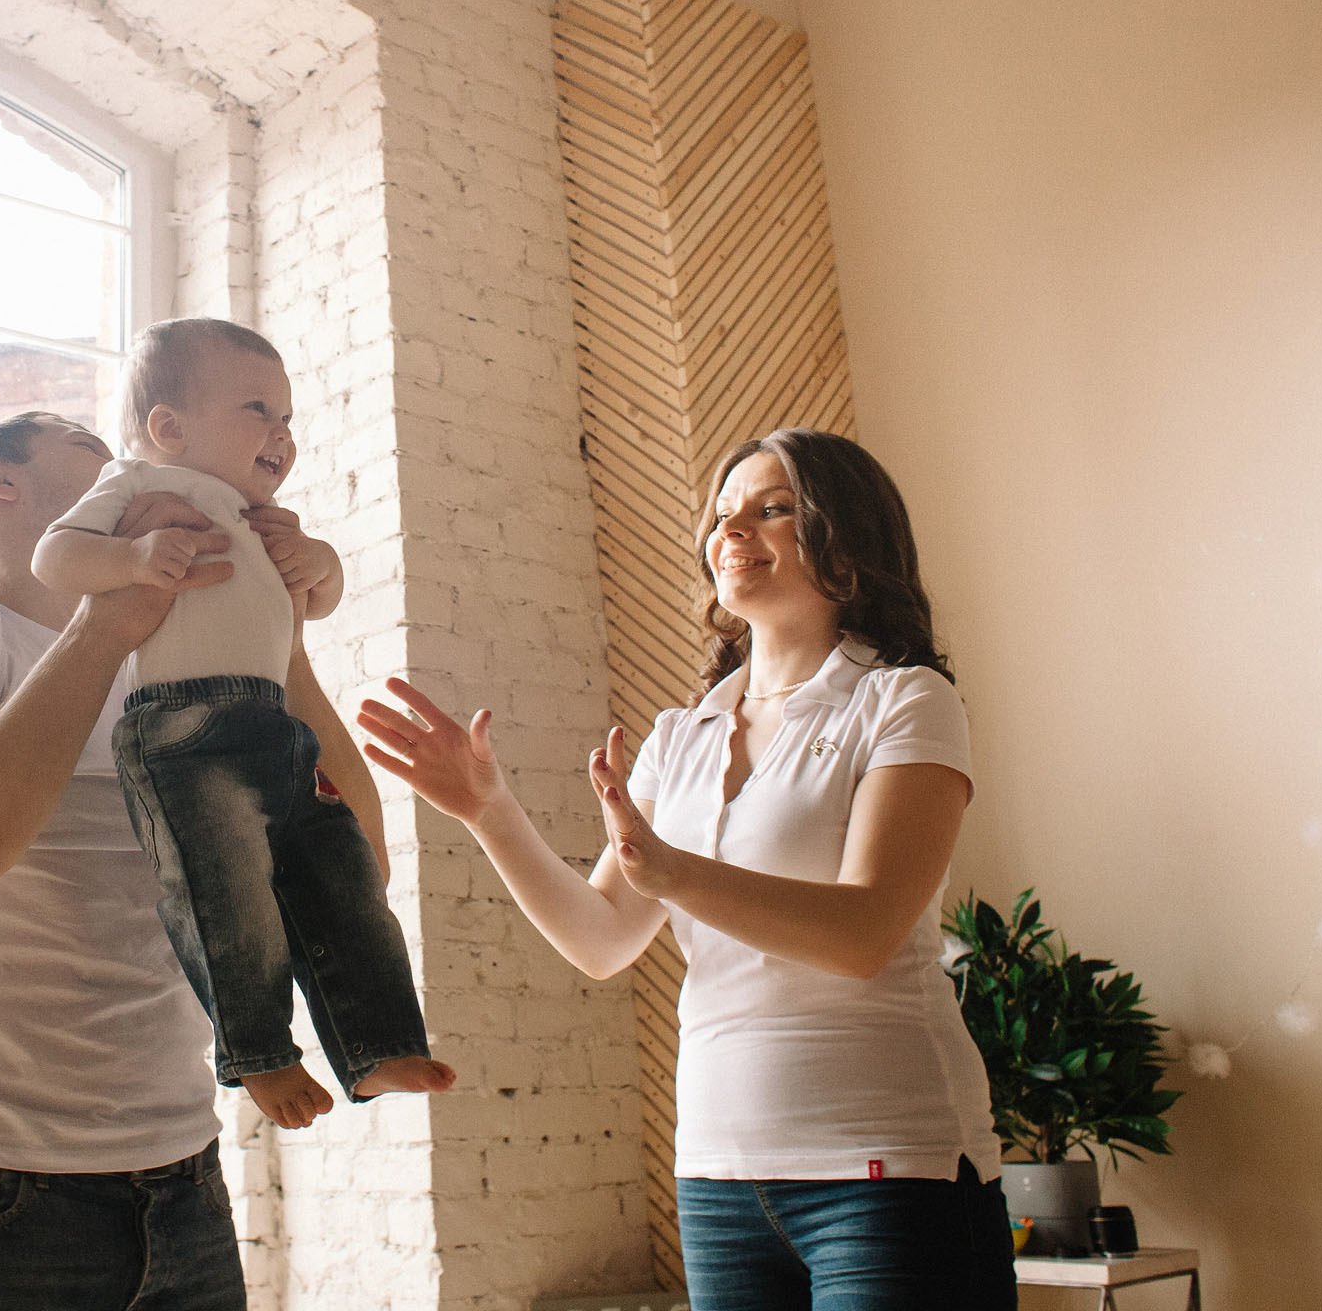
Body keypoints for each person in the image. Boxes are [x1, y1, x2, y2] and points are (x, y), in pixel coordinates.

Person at [357, 428, 1017, 1311]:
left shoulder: (903, 698)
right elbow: (601, 941)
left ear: (849, 548)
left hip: (889, 1164)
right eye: (723, 515)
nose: (732, 531)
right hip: (718, 1174)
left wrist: (673, 875)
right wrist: (489, 810)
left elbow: (863, 932)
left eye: (773, 509)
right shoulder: (682, 735)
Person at [0, 408, 393, 1311]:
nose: (135, 464)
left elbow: (355, 864)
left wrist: (281, 632)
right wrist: (105, 625)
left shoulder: (176, 667)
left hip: (183, 1180)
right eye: (95, 449)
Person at [34, 318, 454, 1130]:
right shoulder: (138, 485)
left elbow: (320, 600)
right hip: (185, 727)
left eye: (289, 417)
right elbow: (56, 559)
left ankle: (376, 1042)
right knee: (226, 895)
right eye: (258, 409)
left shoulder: (267, 518)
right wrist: (129, 560)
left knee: (343, 873)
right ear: (169, 428)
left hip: (279, 727)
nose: (282, 433)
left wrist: (316, 560)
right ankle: (260, 1053)